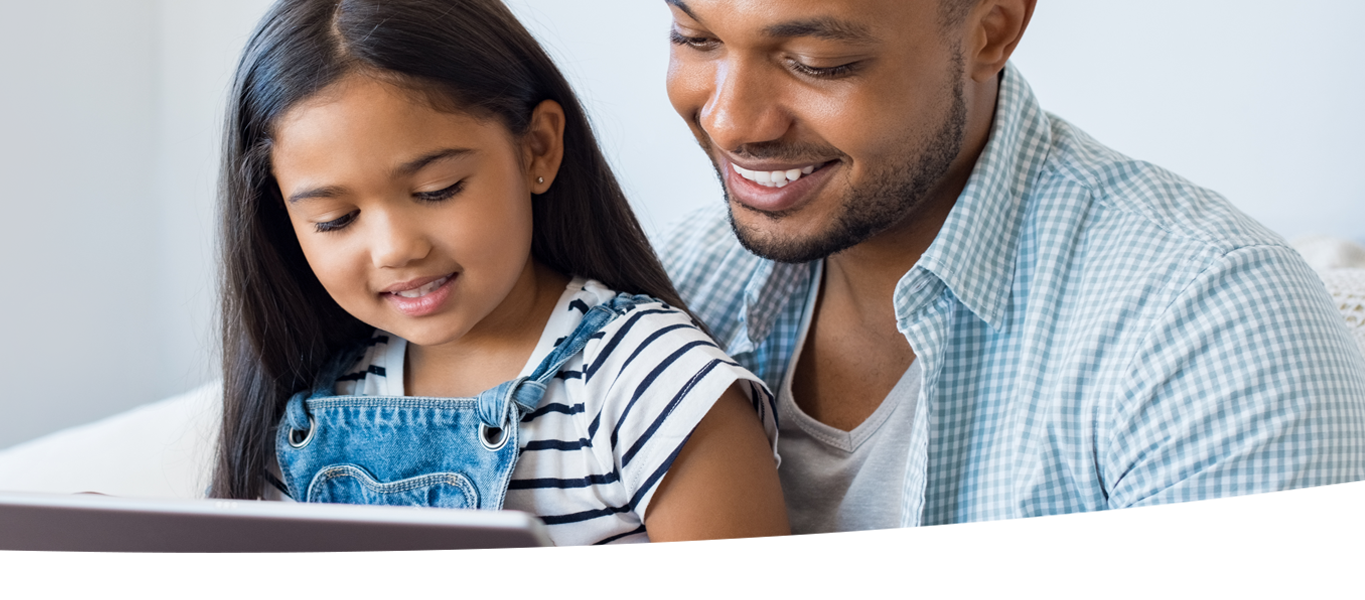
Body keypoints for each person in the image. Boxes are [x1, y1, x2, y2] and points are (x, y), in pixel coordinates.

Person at [656, 0, 1365, 535]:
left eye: (816, 62)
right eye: (695, 38)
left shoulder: (1213, 317)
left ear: (991, 30)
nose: (730, 121)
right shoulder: (679, 281)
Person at [208, 0, 790, 545]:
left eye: (438, 190)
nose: (394, 250)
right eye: (336, 219)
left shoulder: (650, 385)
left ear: (536, 148)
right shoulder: (315, 407)